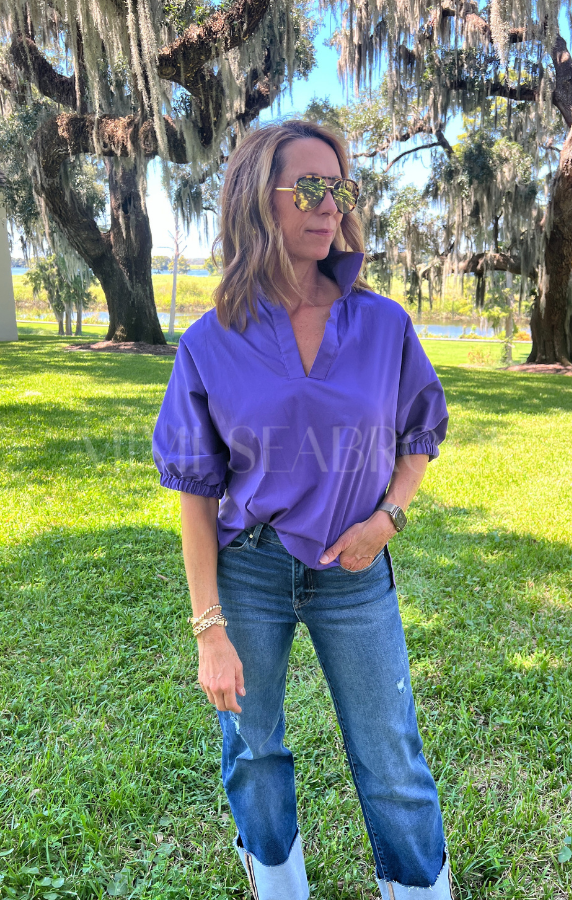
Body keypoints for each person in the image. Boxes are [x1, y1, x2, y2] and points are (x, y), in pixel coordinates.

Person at [152, 120, 452, 900]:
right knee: (254, 756)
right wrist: (209, 629)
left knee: (392, 760)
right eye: (310, 187)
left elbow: (420, 432)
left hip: (355, 573)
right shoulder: (211, 341)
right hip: (249, 573)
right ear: (260, 197)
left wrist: (388, 520)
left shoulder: (383, 324)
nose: (329, 205)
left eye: (340, 189)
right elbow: (195, 492)